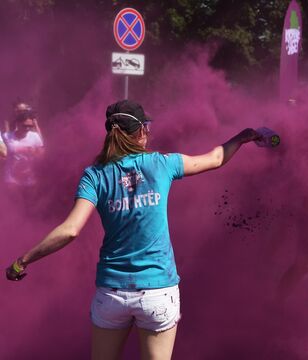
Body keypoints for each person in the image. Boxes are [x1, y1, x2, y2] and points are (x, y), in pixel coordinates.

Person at [5, 99, 262, 360]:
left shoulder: (95, 175)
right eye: (147, 127)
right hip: (158, 291)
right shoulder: (161, 164)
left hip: (112, 294)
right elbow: (217, 158)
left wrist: (22, 261)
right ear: (140, 131)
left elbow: (70, 230)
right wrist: (241, 138)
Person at [3, 106, 44, 190]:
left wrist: (35, 153)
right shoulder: (7, 136)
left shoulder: (35, 136)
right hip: (11, 181)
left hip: (30, 180)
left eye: (30, 126)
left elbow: (42, 155)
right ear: (18, 123)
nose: (27, 128)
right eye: (25, 126)